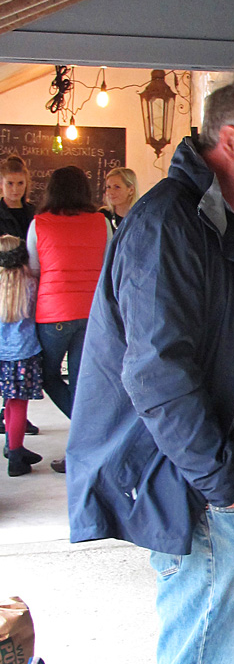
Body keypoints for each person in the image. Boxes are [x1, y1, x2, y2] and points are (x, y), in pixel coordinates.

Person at [66, 69, 234, 664]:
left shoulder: (221, 226)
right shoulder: (170, 225)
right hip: (206, 493)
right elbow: (156, 375)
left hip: (231, 489)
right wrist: (226, 489)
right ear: (230, 139)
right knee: (204, 659)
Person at [27, 165, 110, 460]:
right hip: (92, 313)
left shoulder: (39, 223)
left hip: (52, 313)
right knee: (82, 382)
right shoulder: (101, 222)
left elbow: (34, 269)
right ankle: (88, 441)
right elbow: (109, 264)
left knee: (48, 376)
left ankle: (86, 435)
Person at [0, 236, 44, 476]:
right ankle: (16, 455)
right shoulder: (31, 283)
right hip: (23, 353)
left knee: (8, 401)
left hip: (2, 353)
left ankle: (13, 445)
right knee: (18, 405)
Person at [0, 155, 35, 239]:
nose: (15, 189)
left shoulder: (35, 212)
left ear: (26, 183)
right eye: (10, 183)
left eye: (20, 183)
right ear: (1, 184)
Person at [101, 167, 139, 231]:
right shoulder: (103, 216)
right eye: (108, 187)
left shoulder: (141, 217)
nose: (111, 192)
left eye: (117, 187)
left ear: (131, 190)